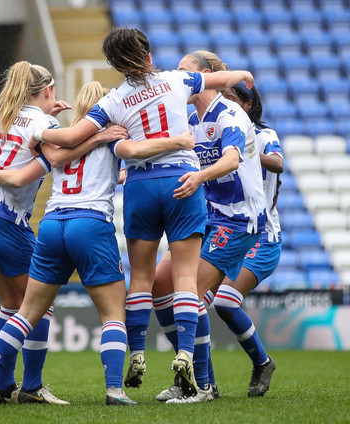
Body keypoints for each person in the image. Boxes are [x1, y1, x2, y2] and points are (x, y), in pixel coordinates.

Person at [30, 27, 255, 395]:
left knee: (141, 279)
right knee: (185, 277)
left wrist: (37, 130)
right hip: (181, 180)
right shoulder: (177, 79)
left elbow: (71, 139)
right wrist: (243, 76)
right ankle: (184, 354)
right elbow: (224, 78)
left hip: (139, 187)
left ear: (115, 63)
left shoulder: (114, 100)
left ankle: (136, 352)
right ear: (148, 54)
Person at [0, 81, 195, 405]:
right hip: (89, 224)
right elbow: (132, 154)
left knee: (27, 310)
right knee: (113, 314)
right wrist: (176, 143)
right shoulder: (114, 137)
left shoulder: (59, 145)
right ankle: (114, 390)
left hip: (52, 224)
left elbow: (66, 163)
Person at [151, 50, 266, 404]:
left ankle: (204, 384)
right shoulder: (188, 117)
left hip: (237, 219)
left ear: (204, 75)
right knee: (159, 286)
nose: (177, 76)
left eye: (183, 71)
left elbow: (232, 159)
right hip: (209, 216)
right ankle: (190, 376)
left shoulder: (229, 113)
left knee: (192, 294)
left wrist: (200, 175)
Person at [0, 61, 79, 405]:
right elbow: (43, 166)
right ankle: (31, 386)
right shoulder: (45, 125)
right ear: (47, 91)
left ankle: (3, 387)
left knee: (12, 304)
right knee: (38, 305)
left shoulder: (1, 115)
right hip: (7, 222)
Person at [211, 82, 281, 397]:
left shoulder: (263, 135)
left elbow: (278, 162)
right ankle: (202, 380)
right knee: (196, 297)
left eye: (231, 98)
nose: (224, 103)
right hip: (230, 228)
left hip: (262, 237)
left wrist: (245, 152)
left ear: (248, 105)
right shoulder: (221, 134)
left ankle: (262, 362)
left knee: (225, 301)